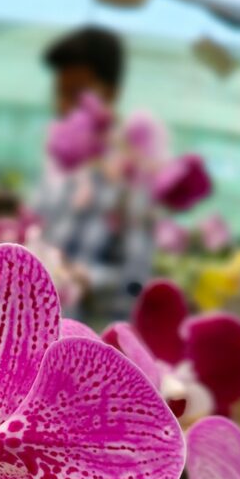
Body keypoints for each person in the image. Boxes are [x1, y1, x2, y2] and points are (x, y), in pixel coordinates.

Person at [34, 26, 153, 324]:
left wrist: (88, 279)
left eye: (75, 95)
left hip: (81, 335)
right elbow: (38, 230)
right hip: (32, 322)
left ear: (111, 93)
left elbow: (136, 281)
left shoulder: (132, 177)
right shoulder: (59, 163)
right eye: (59, 93)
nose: (63, 106)